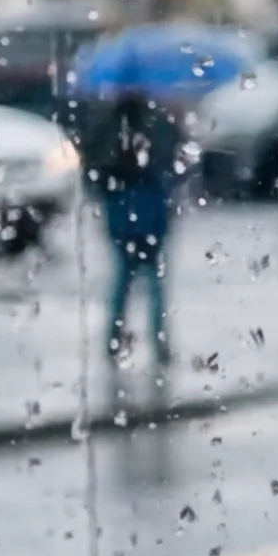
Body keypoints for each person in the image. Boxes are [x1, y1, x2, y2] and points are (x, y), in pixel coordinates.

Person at [88, 88, 186, 372]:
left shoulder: (107, 131)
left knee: (123, 282)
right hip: (150, 218)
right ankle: (158, 342)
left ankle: (114, 340)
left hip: (123, 219)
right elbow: (173, 167)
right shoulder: (158, 130)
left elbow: (96, 173)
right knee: (152, 283)